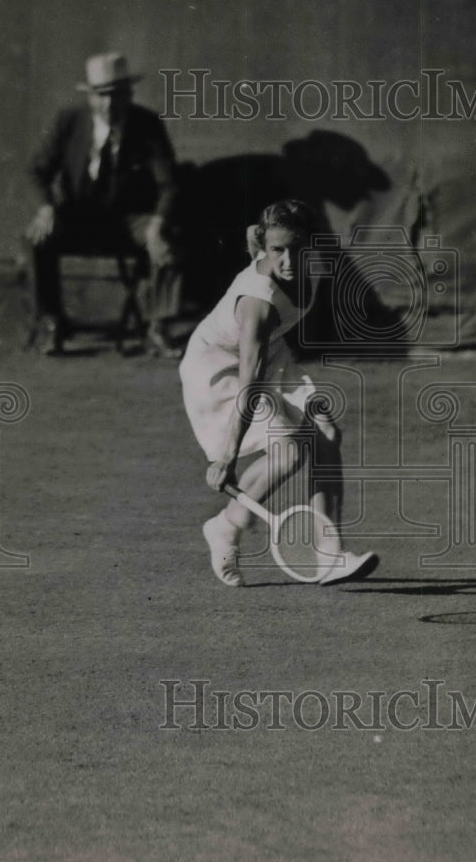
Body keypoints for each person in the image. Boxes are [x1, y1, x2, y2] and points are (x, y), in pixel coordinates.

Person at [179, 199, 377, 587]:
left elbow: (260, 243)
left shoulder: (307, 265)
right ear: (267, 248)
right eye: (278, 251)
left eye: (298, 248)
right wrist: (226, 457)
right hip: (220, 366)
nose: (288, 261)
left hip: (270, 354)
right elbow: (250, 382)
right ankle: (227, 526)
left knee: (327, 435)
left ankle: (328, 553)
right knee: (287, 451)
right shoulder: (258, 302)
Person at [25, 52, 181, 356]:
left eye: (116, 96)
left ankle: (157, 328)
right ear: (90, 96)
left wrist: (156, 226)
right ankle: (52, 324)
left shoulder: (147, 125)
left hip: (130, 221)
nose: (108, 105)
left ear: (129, 94)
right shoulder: (69, 121)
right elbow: (37, 170)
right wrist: (47, 208)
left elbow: (169, 184)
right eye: (100, 96)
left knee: (168, 238)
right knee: (35, 240)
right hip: (79, 218)